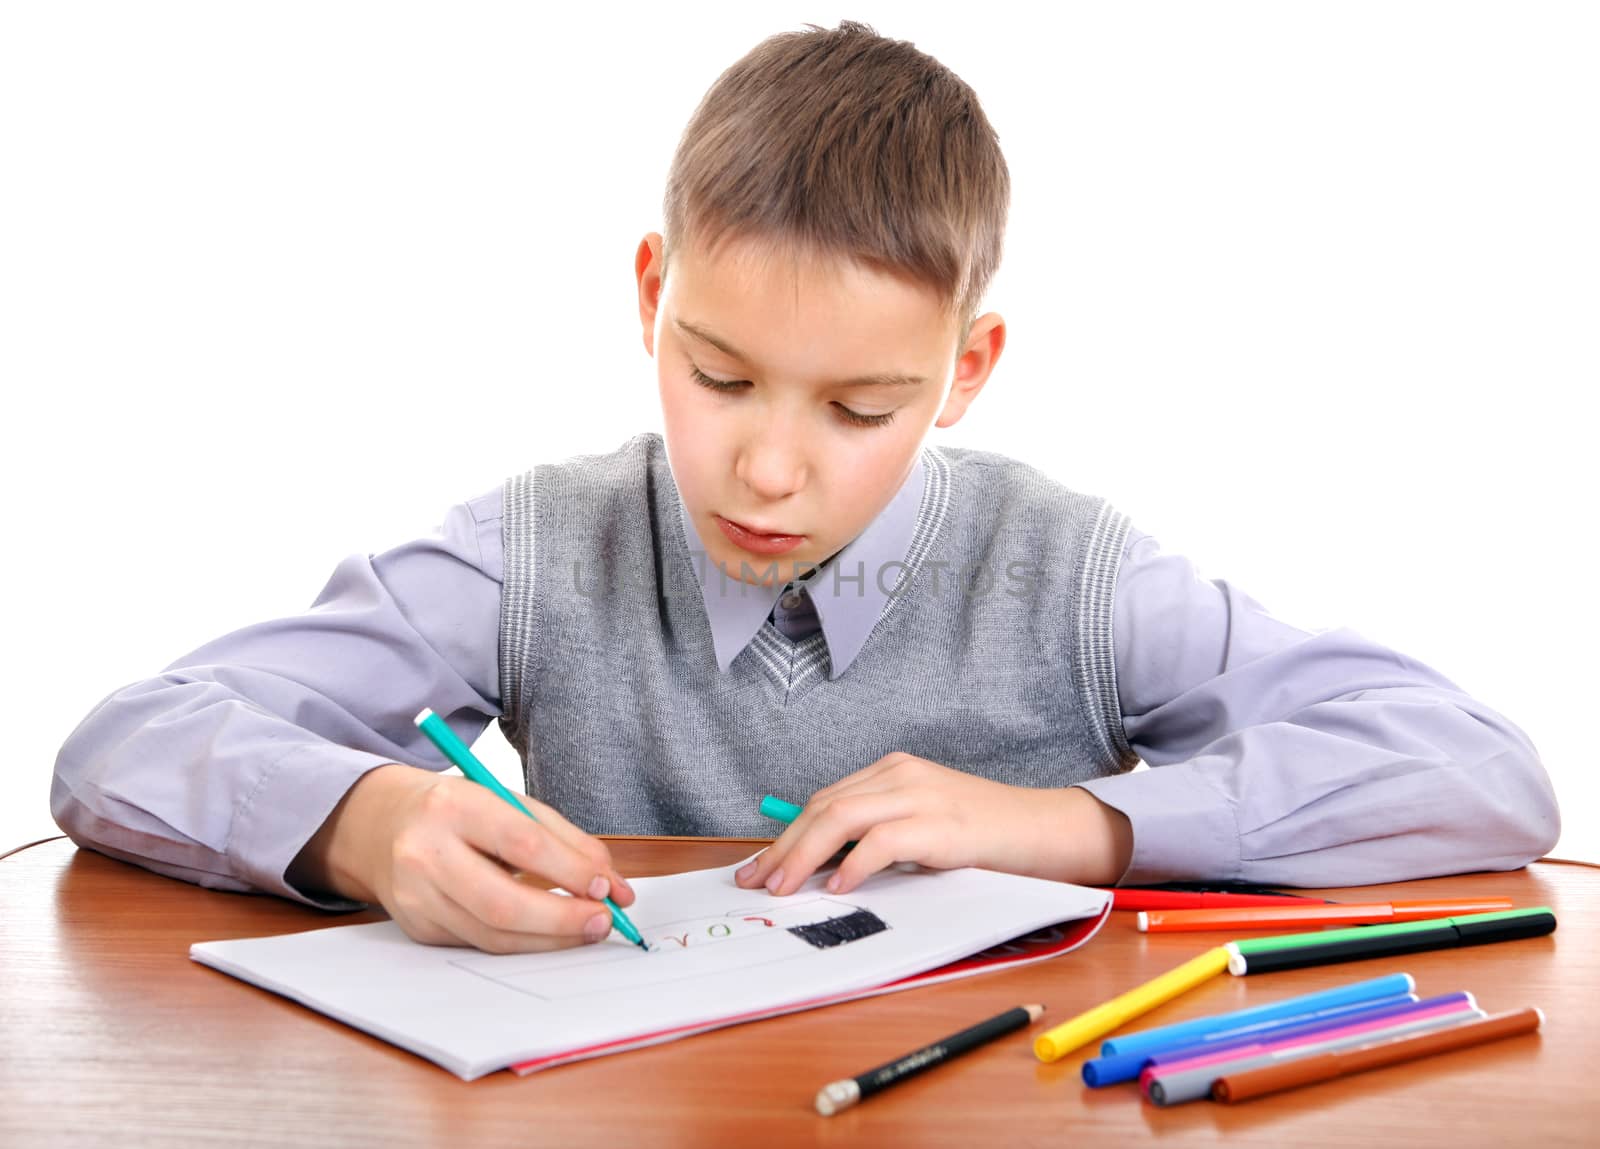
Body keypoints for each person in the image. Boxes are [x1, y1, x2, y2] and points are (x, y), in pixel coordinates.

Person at [52, 21, 1558, 955]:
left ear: (966, 371)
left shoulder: (1076, 577)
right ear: (652, 290)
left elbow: (1480, 770)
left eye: (860, 406)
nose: (768, 468)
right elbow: (127, 739)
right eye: (716, 376)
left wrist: (1071, 823)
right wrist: (367, 825)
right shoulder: (539, 549)